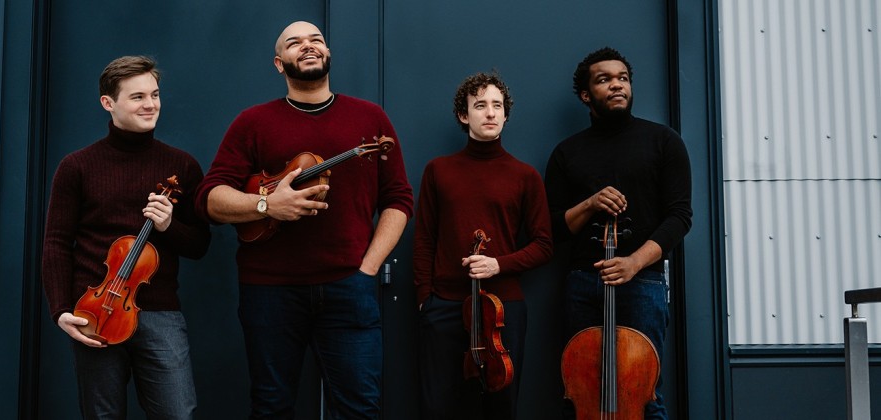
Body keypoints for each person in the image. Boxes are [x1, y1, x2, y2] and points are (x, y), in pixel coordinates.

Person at [194, 21, 413, 419]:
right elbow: (210, 198)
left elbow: (398, 199)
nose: (307, 46)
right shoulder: (253, 122)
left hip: (350, 286)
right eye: (294, 43)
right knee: (271, 406)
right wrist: (266, 206)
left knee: (360, 409)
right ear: (280, 64)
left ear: (328, 54)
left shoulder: (370, 118)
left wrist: (368, 267)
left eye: (316, 40)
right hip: (269, 292)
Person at [41, 55, 211, 419]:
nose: (150, 104)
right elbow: (56, 243)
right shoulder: (77, 166)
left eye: (155, 94)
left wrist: (169, 227)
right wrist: (60, 310)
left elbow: (200, 245)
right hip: (95, 312)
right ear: (109, 102)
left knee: (178, 413)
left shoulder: (181, 166)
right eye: (137, 97)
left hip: (160, 313)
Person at [544, 47, 693, 419]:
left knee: (644, 394)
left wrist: (633, 263)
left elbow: (680, 217)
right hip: (583, 283)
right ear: (585, 94)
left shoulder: (664, 141)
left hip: (642, 283)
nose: (616, 85)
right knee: (580, 392)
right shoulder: (567, 152)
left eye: (623, 78)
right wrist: (591, 203)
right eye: (604, 79)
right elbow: (552, 227)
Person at [413, 72, 553, 420]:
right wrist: (424, 299)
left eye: (497, 106)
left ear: (505, 115)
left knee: (499, 406)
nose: (490, 113)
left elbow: (544, 244)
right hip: (445, 305)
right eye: (480, 105)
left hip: (503, 309)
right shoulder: (439, 170)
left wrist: (498, 265)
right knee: (440, 406)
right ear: (464, 115)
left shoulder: (525, 176)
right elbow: (424, 237)